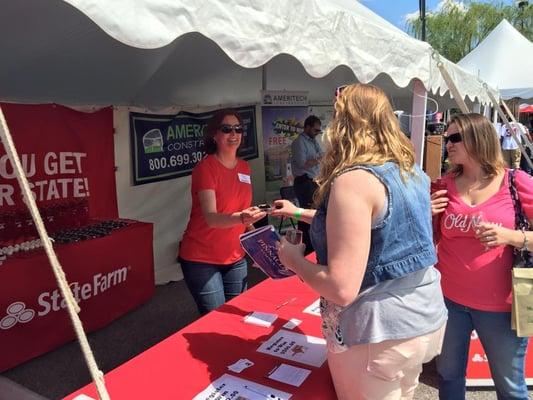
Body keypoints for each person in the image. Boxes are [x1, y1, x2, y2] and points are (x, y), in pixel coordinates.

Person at [273, 84, 447, 400]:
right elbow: (364, 226)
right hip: (423, 318)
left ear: (344, 124)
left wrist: (293, 260)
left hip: (379, 333)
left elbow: (341, 287)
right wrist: (298, 211)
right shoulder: (410, 171)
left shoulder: (352, 180)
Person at [431, 113, 533, 399]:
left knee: (510, 387)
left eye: (454, 137)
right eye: (446, 137)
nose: (447, 144)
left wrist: (512, 237)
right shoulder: (443, 186)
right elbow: (430, 240)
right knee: (448, 377)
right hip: (449, 301)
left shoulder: (515, 182)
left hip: (500, 307)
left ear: (478, 138)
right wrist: (426, 216)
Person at [178, 109, 265, 315]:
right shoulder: (205, 168)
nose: (233, 134)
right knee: (216, 319)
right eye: (226, 129)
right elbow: (212, 218)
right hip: (201, 259)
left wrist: (261, 249)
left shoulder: (244, 167)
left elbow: (242, 215)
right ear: (214, 135)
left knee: (238, 316)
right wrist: (243, 216)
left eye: (238, 129)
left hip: (235, 257)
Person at [290, 115, 323, 254]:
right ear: (307, 127)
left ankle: (312, 245)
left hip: (314, 181)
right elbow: (302, 163)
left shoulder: (313, 141)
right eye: (315, 130)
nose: (317, 133)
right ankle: (306, 247)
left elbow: (322, 154)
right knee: (305, 214)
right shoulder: (299, 142)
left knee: (314, 213)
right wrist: (318, 159)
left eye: (318, 131)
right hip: (304, 181)